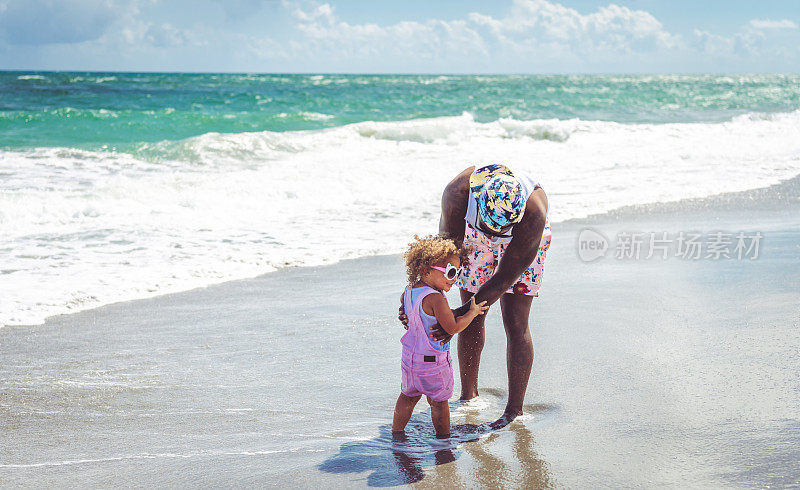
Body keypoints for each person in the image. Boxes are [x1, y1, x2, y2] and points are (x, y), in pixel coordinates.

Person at [399, 164, 550, 423]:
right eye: (490, 230)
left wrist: (458, 316)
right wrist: (416, 301)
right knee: (472, 314)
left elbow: (505, 278)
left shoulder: (533, 211)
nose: (494, 239)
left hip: (521, 238)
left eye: (498, 233)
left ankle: (514, 411)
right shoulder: (458, 195)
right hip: (471, 238)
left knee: (516, 321)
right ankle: (468, 397)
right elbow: (440, 258)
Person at [392, 235, 489, 438]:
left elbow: (410, 315)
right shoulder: (436, 298)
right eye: (451, 272)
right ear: (425, 270)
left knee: (408, 397)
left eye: (458, 273)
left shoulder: (408, 292)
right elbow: (452, 328)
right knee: (438, 403)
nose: (454, 279)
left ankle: (397, 432)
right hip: (433, 365)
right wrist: (471, 313)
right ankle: (443, 440)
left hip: (409, 361)